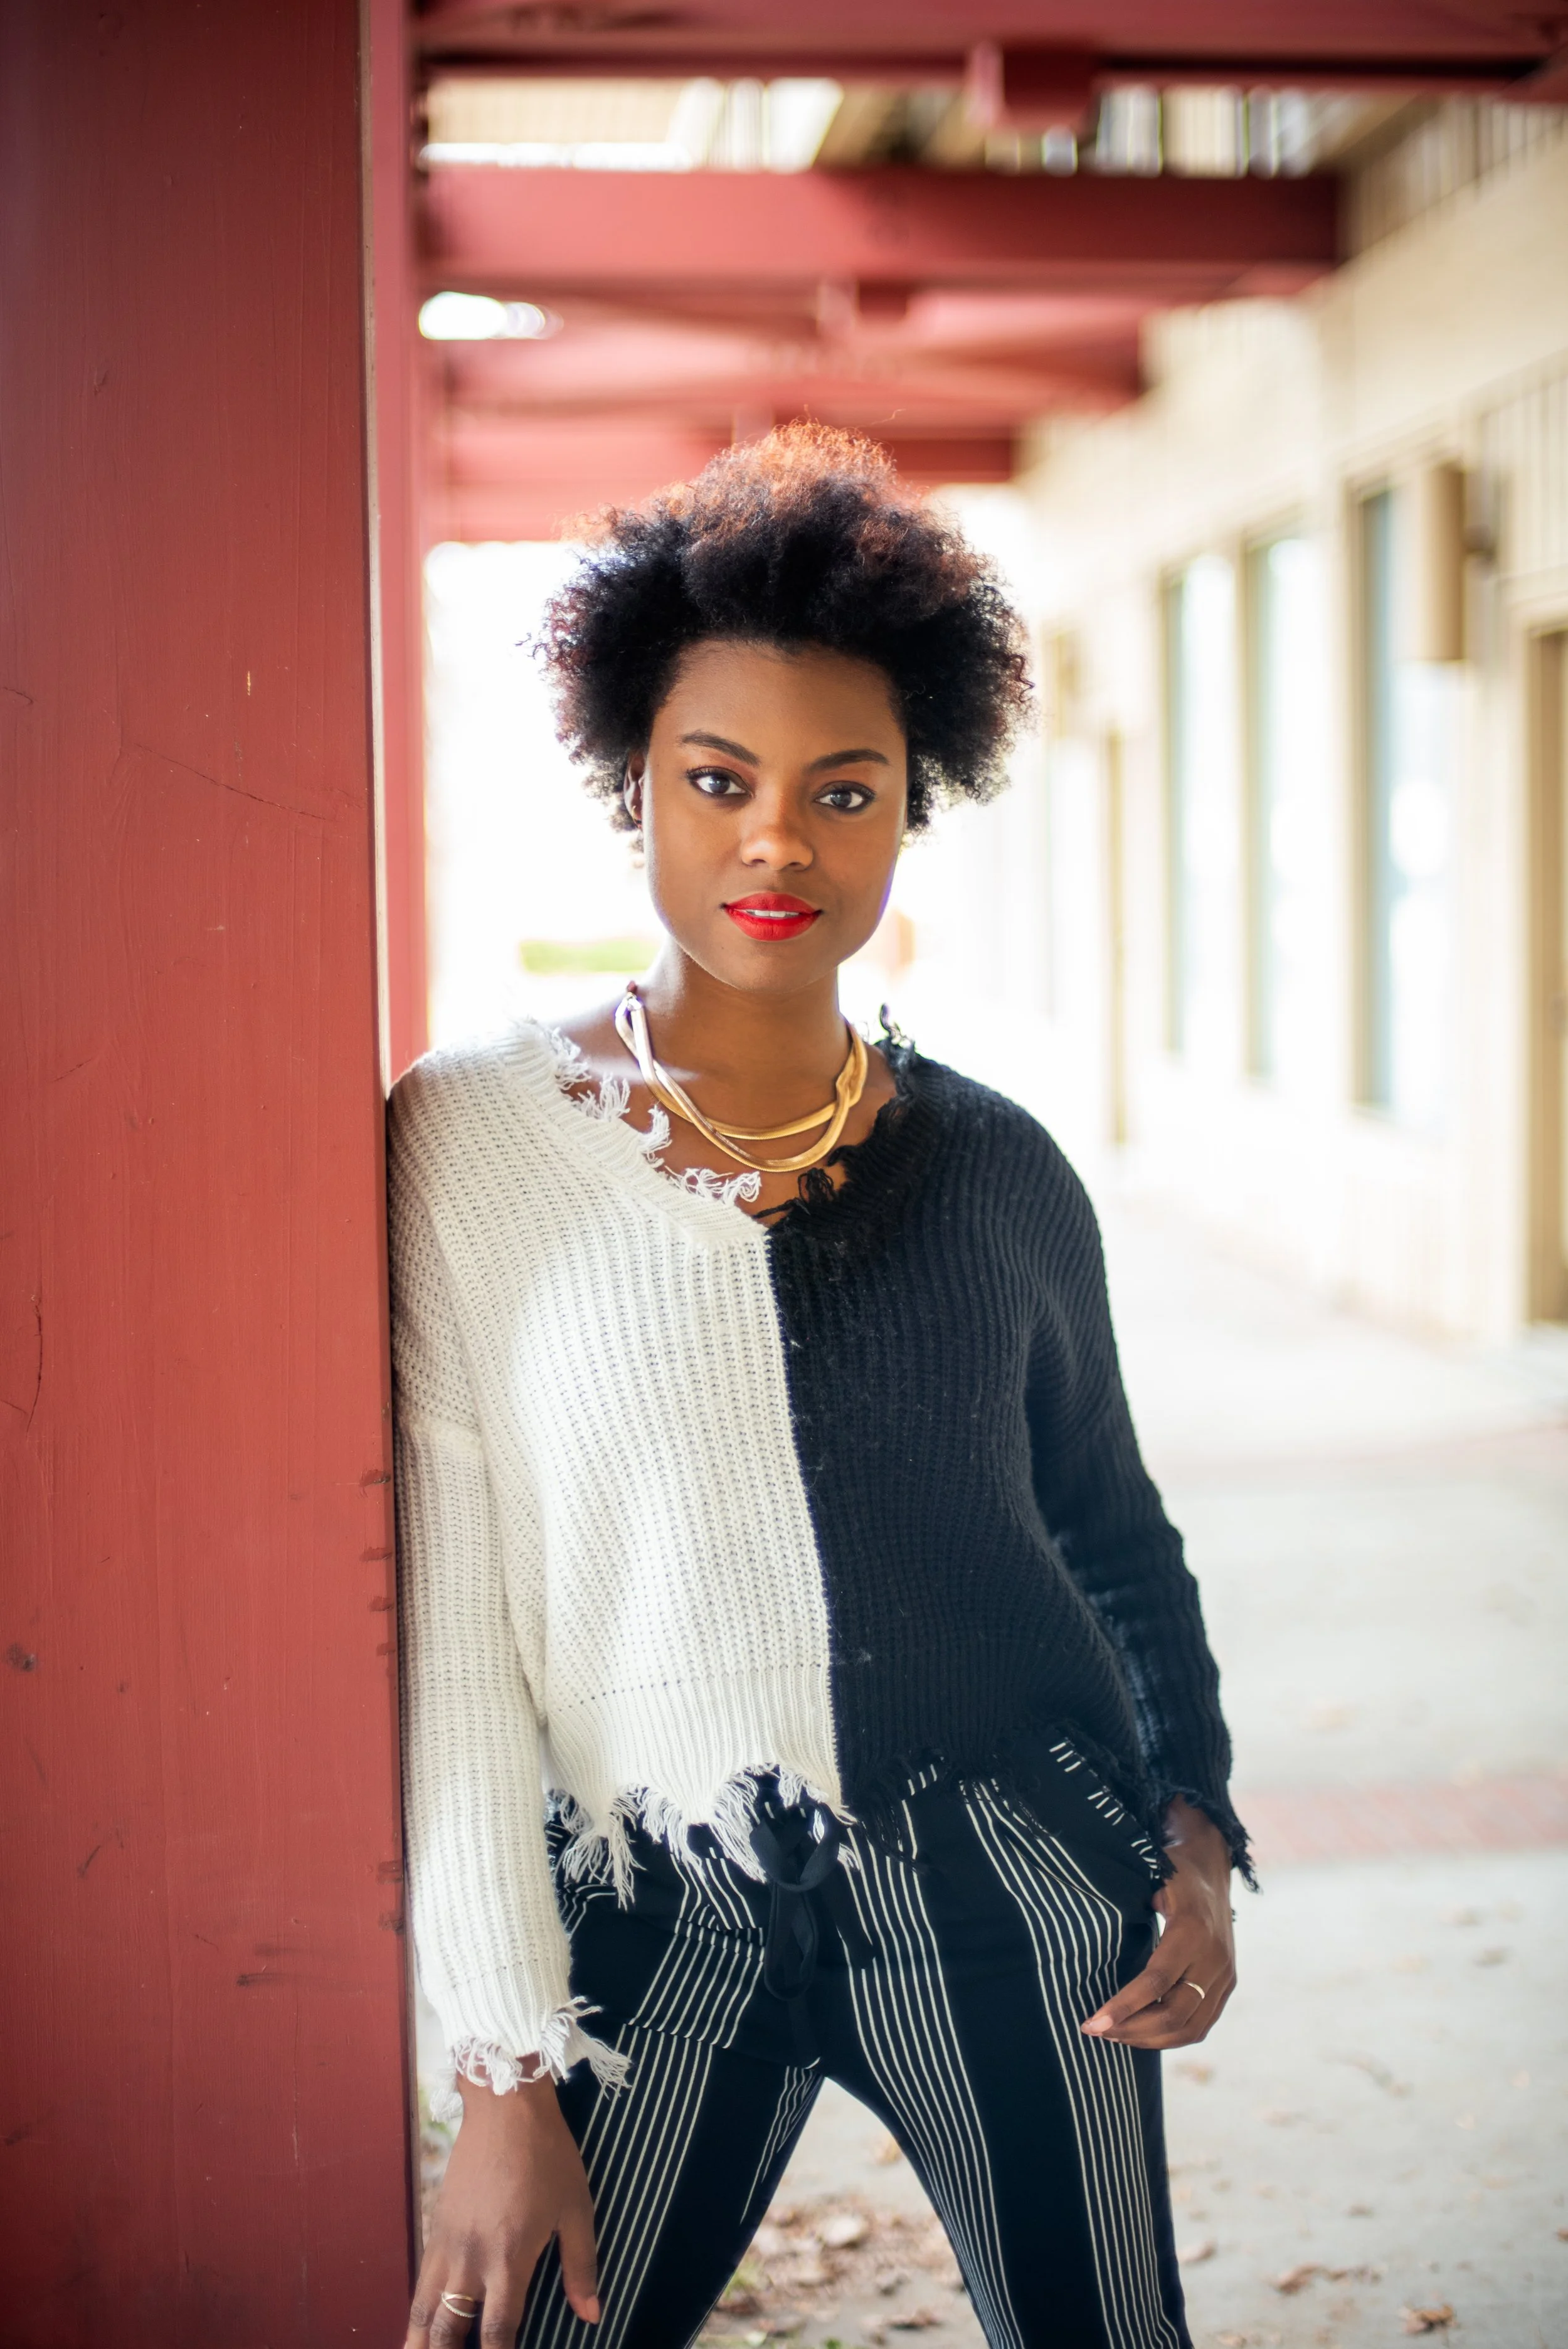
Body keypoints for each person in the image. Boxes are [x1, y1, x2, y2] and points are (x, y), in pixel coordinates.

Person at [391, 426, 1248, 2349]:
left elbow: (1113, 1538)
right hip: (649, 1911)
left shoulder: (1000, 1166)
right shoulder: (469, 1145)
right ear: (636, 789)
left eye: (841, 792)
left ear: (906, 810)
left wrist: (1187, 1836)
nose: (777, 840)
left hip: (1016, 1894)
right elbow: (453, 1651)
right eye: (719, 782)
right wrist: (500, 2071)